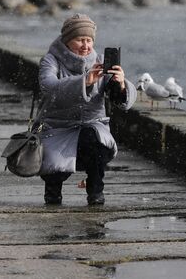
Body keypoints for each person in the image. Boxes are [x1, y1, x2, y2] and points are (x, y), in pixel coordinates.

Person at [34, 13, 136, 205]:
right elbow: (48, 87)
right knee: (55, 165)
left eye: (89, 40)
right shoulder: (50, 60)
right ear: (67, 40)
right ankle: (53, 192)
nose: (86, 46)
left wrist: (120, 84)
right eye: (80, 40)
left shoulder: (100, 60)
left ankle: (96, 192)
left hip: (92, 125)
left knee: (95, 142)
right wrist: (84, 82)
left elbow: (118, 101)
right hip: (57, 126)